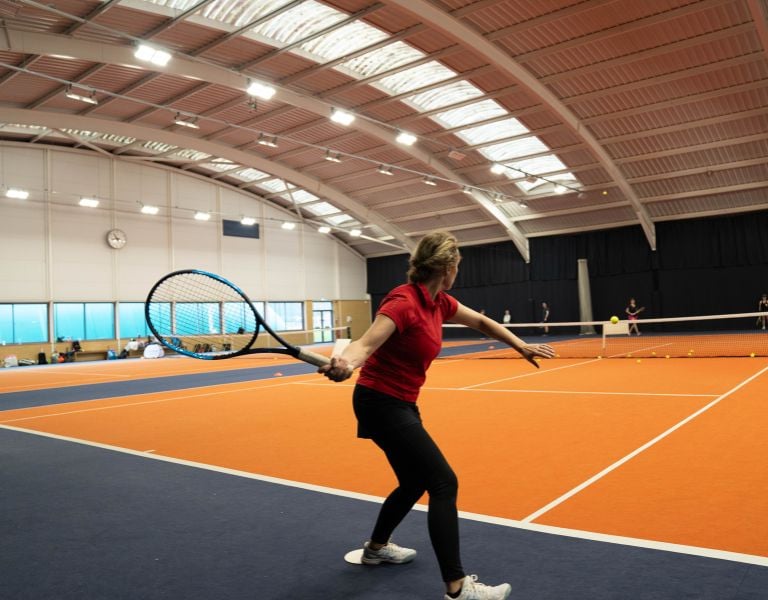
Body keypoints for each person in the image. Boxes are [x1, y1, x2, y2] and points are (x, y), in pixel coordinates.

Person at [319, 231, 555, 600]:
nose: (457, 272)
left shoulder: (439, 302)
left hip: (400, 402)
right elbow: (366, 342)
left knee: (414, 482)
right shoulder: (403, 302)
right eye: (457, 266)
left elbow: (481, 322)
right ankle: (458, 588)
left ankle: (376, 549)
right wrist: (345, 363)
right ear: (446, 267)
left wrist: (520, 344)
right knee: (444, 482)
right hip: (380, 400)